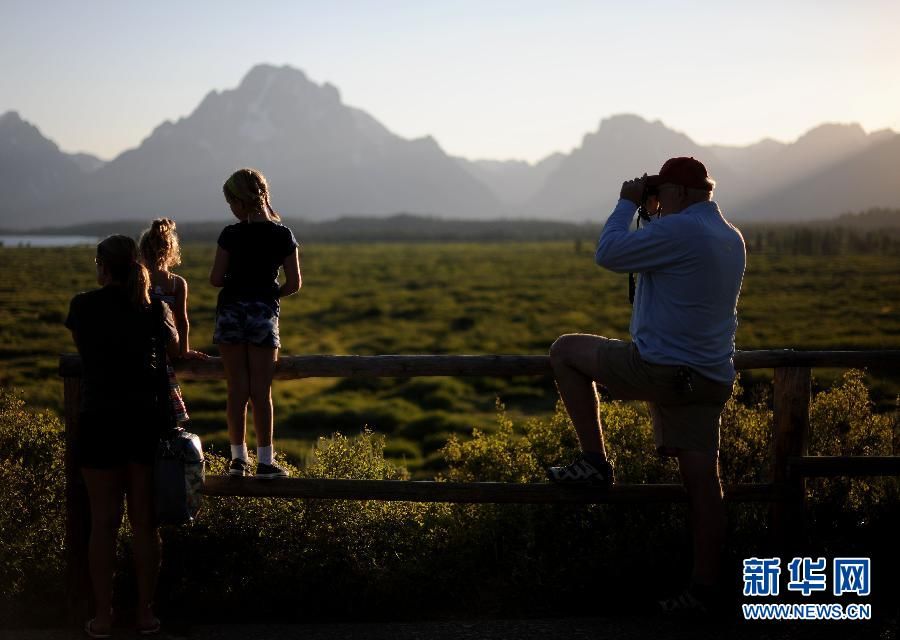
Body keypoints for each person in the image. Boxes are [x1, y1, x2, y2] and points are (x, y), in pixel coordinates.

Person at [546, 157, 746, 615]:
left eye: (660, 191)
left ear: (675, 192)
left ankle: (594, 462)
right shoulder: (730, 236)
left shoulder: (680, 232)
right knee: (704, 487)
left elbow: (609, 253)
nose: (654, 199)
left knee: (565, 351)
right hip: (709, 376)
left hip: (660, 369)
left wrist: (626, 203)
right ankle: (705, 590)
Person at [66, 235, 179, 637]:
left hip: (98, 420)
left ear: (103, 266)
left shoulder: (82, 306)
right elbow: (174, 346)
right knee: (145, 524)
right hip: (145, 421)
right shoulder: (152, 307)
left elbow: (84, 348)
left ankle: (103, 615)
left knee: (103, 522)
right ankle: (145, 613)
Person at [210, 168, 301, 478]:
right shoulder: (282, 234)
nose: (231, 210)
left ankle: (238, 459)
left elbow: (215, 279)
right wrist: (269, 294)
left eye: (230, 203)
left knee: (236, 388)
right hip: (263, 313)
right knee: (261, 391)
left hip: (230, 312)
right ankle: (265, 461)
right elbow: (294, 283)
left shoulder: (230, 234)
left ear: (239, 201)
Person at [139, 217, 208, 424]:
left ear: (142, 251)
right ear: (170, 252)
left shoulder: (138, 279)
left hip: (141, 342)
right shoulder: (177, 283)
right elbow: (182, 321)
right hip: (169, 344)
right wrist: (184, 351)